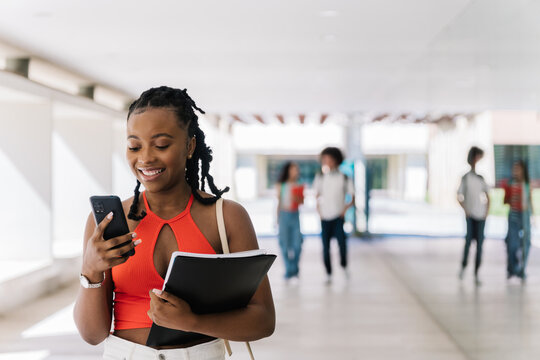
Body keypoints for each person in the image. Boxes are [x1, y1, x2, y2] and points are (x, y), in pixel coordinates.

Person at [73, 86, 275, 359]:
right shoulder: (106, 223)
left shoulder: (226, 217)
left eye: (161, 145)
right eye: (134, 146)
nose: (144, 158)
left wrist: (193, 322)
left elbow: (263, 320)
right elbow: (92, 334)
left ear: (189, 146)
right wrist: (91, 271)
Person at [313, 147, 355, 284]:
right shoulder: (320, 177)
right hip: (325, 217)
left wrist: (344, 210)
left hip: (338, 217)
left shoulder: (344, 177)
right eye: (325, 159)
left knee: (342, 244)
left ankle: (343, 266)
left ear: (336, 160)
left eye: (330, 159)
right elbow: (316, 196)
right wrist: (319, 211)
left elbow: (352, 197)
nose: (327, 162)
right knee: (325, 247)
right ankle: (328, 273)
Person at [457, 146, 490, 286]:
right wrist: (466, 210)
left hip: (480, 216)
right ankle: (464, 266)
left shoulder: (481, 178)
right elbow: (459, 196)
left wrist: (486, 212)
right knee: (468, 242)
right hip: (470, 216)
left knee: (480, 245)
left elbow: (488, 196)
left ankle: (476, 273)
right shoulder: (466, 178)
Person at [502, 160, 534, 283]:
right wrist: (511, 196)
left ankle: (522, 269)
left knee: (526, 243)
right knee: (512, 244)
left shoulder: (526, 183)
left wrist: (533, 216)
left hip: (525, 215)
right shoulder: (510, 184)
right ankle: (512, 268)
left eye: (518, 169)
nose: (516, 171)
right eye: (514, 169)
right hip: (514, 216)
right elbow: (505, 201)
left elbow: (529, 201)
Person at [276, 162, 304, 282]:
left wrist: (295, 197)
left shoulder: (299, 185)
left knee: (297, 244)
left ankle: (294, 268)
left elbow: (302, 201)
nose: (296, 172)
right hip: (283, 215)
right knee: (284, 244)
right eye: (293, 170)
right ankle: (288, 270)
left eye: (296, 170)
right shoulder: (280, 185)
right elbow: (279, 203)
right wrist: (277, 218)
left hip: (295, 215)